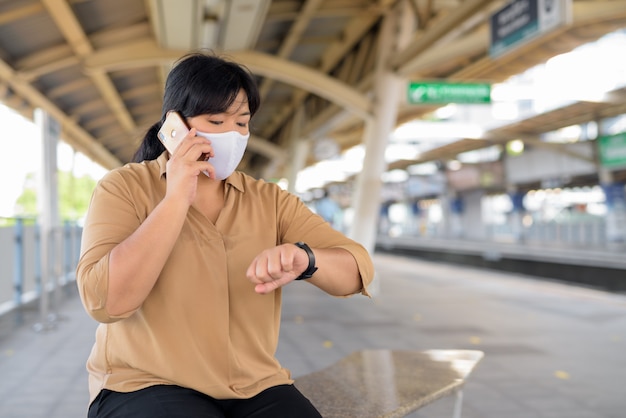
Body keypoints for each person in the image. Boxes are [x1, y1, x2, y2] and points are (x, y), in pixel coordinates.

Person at [76, 50, 374, 418]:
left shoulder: (269, 200)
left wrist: (306, 259)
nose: (232, 135)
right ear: (174, 125)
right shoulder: (123, 188)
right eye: (216, 120)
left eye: (243, 123)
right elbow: (105, 301)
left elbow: (355, 270)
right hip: (144, 382)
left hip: (254, 385)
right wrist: (176, 198)